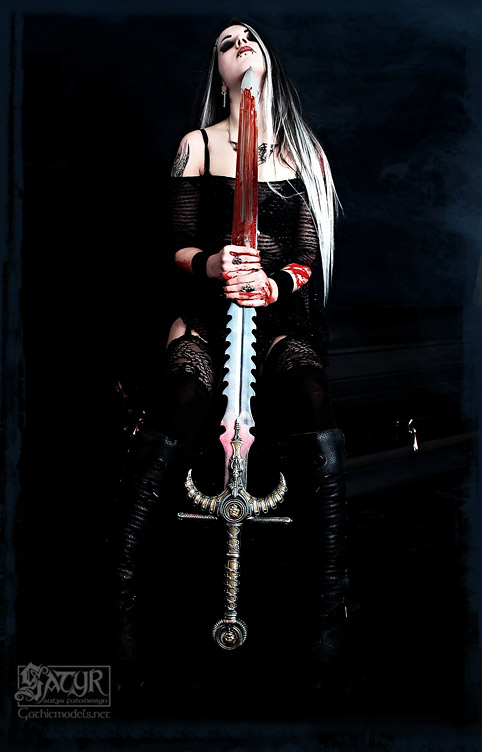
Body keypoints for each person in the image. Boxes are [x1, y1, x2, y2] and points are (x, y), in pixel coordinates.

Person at [113, 19, 348, 692]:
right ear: (217, 73)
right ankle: (121, 608)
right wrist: (214, 263)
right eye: (225, 43)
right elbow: (176, 246)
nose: (240, 43)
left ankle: (327, 613)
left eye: (249, 37)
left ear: (266, 57)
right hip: (205, 306)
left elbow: (308, 258)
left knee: (308, 391)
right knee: (184, 395)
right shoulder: (197, 145)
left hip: (279, 312)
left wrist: (272, 283)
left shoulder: (305, 155)